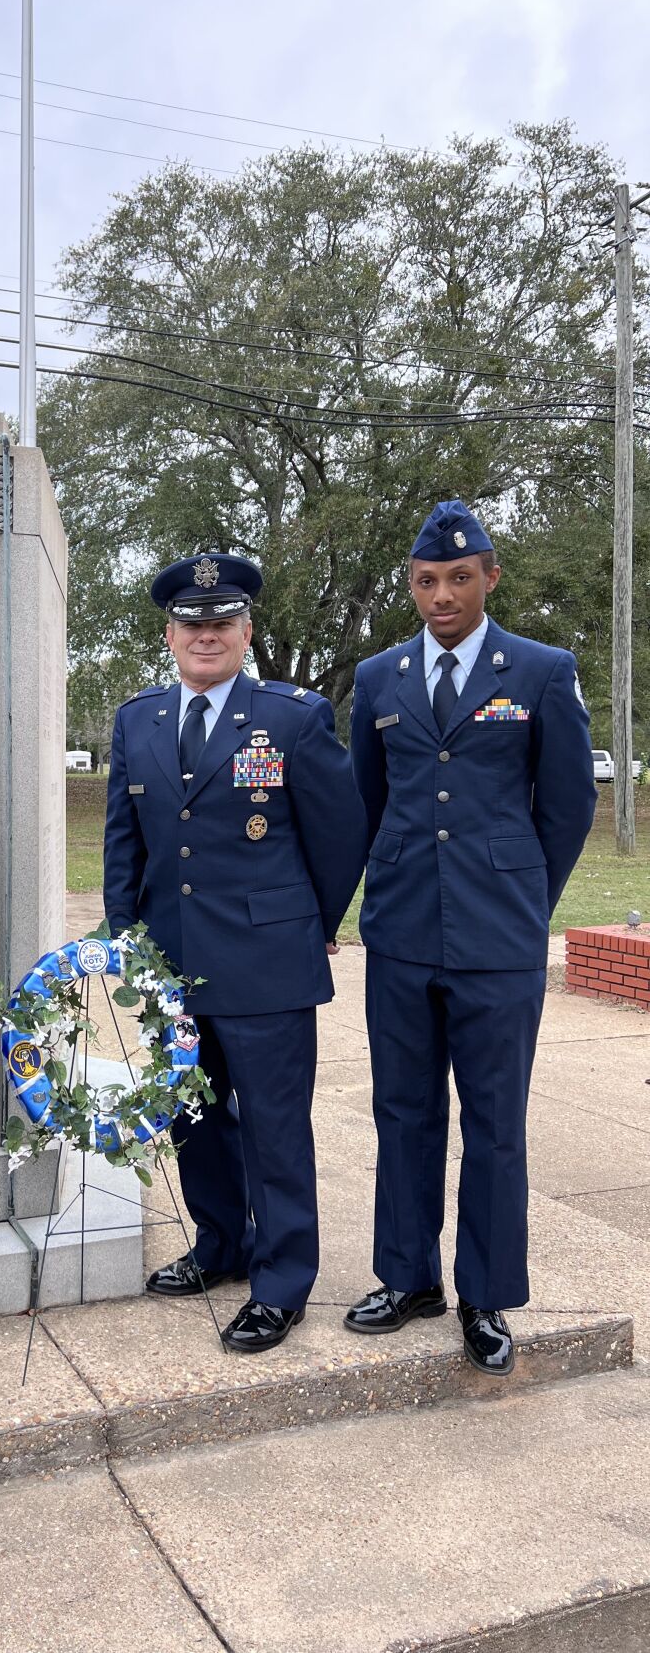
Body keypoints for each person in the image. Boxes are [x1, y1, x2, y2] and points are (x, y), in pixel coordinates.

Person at [344, 500, 595, 1375]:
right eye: (425, 581)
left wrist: (521, 892)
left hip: (499, 939)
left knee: (493, 1123)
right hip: (403, 928)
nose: (441, 594)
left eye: (458, 577)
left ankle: (484, 1293)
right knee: (403, 1110)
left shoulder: (538, 669)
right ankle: (406, 1275)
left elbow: (566, 807)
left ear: (490, 576)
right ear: (409, 586)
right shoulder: (377, 680)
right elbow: (363, 807)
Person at [103, 552, 366, 1352]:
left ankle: (281, 1279)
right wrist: (127, 943)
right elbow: (125, 841)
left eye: (221, 622)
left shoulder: (291, 716)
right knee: (195, 1118)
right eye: (191, 624)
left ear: (246, 632)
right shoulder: (137, 718)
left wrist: (307, 921)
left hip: (266, 958)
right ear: (170, 633)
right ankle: (220, 1244)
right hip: (171, 960)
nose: (205, 635)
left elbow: (338, 831)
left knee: (273, 1127)